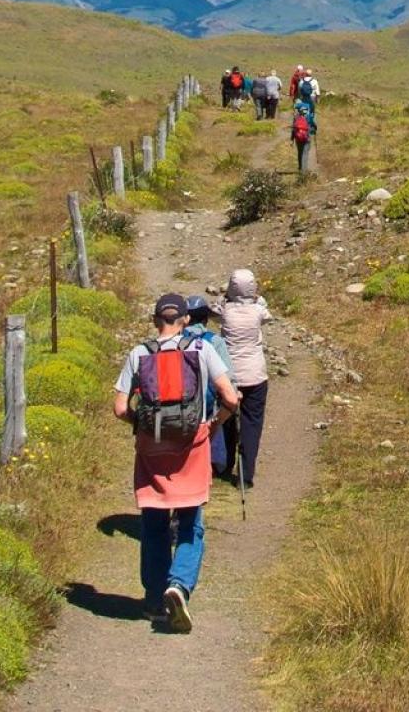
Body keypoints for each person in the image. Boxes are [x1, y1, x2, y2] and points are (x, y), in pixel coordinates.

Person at [113, 294, 240, 633]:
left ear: (156, 320)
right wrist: (213, 426)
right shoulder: (201, 350)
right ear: (186, 320)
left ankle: (154, 600)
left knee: (153, 523)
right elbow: (230, 397)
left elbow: (121, 408)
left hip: (151, 449)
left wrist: (142, 426)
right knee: (190, 522)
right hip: (192, 445)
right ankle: (179, 584)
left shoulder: (139, 354)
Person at [214, 270, 272, 487]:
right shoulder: (258, 311)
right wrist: (256, 299)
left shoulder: (225, 311)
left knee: (226, 419)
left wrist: (226, 298)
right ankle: (246, 476)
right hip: (255, 375)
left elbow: (215, 307)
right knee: (252, 423)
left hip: (229, 375)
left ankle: (225, 463)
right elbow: (267, 313)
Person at [183, 295, 234, 478]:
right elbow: (228, 375)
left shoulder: (175, 340)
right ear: (206, 319)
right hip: (209, 400)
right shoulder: (215, 341)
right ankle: (211, 464)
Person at [291, 99, 312, 173]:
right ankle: (304, 170)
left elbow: (293, 129)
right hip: (306, 136)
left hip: (298, 137)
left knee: (300, 152)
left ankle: (300, 167)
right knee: (305, 153)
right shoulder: (308, 116)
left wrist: (292, 140)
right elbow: (313, 126)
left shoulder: (296, 117)